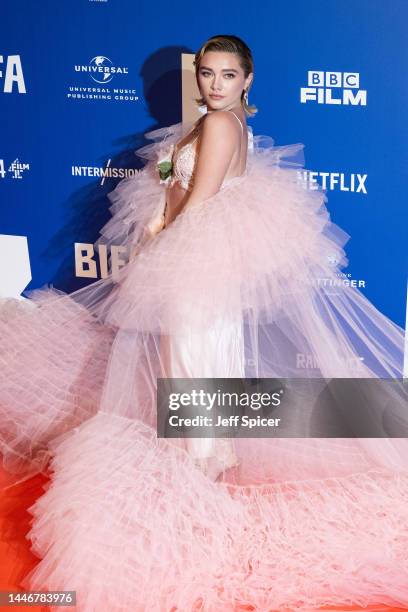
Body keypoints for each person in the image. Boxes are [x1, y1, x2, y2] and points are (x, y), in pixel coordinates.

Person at [1, 34, 408, 611]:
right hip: (198, 266)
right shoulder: (218, 123)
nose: (214, 85)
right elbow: (182, 186)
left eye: (227, 75)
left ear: (247, 81)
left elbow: (201, 199)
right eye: (208, 75)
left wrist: (158, 238)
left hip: (194, 264)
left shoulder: (219, 126)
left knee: (191, 362)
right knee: (195, 362)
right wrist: (162, 202)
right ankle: (203, 463)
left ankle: (197, 471)